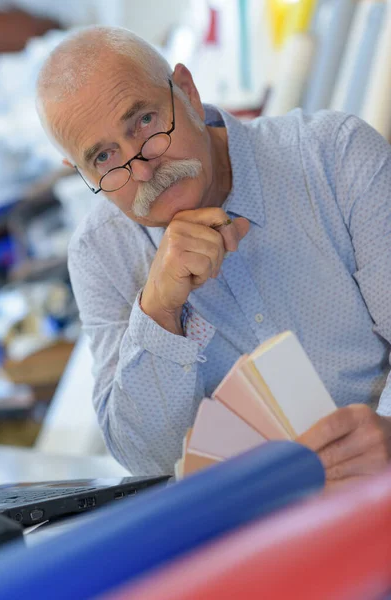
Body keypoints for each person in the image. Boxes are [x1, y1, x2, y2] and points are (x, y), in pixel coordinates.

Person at [36, 26, 391, 485]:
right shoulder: (100, 252)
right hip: (255, 525)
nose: (142, 170)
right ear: (79, 171)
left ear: (187, 92)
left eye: (144, 122)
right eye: (104, 157)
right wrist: (159, 310)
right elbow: (148, 460)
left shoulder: (334, 156)